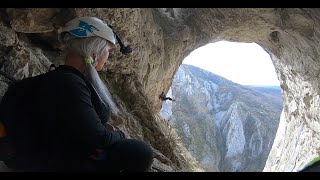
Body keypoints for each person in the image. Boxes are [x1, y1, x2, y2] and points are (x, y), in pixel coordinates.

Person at [0, 16, 153, 172]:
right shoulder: (70, 83)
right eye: (107, 51)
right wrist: (119, 135)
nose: (107, 57)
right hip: (51, 159)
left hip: (51, 150)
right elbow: (99, 138)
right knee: (141, 153)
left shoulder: (66, 79)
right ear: (95, 52)